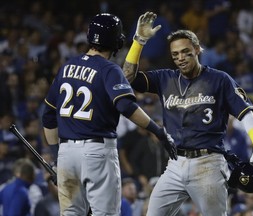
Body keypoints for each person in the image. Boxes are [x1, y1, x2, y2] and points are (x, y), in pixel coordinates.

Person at [122, 11, 253, 216]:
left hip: (208, 164)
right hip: (175, 164)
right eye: (175, 55)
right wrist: (139, 42)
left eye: (185, 52)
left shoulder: (219, 80)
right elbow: (127, 77)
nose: (180, 58)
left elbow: (245, 114)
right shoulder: (165, 78)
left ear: (198, 49)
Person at [41, 13, 177, 216]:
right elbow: (125, 106)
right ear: (117, 41)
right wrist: (158, 131)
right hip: (97, 152)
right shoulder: (109, 69)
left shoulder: (66, 67)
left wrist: (55, 157)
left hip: (67, 153)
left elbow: (48, 117)